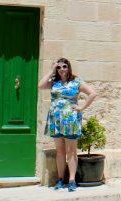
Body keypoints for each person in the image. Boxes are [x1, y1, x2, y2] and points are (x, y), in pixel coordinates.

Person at [38, 58, 97, 191]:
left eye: (64, 66)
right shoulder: (54, 82)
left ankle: (71, 180)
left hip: (70, 118)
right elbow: (40, 85)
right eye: (59, 67)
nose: (62, 69)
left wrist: (82, 107)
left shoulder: (76, 81)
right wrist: (51, 70)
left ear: (69, 67)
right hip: (56, 119)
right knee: (60, 151)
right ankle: (60, 179)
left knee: (71, 151)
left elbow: (93, 93)